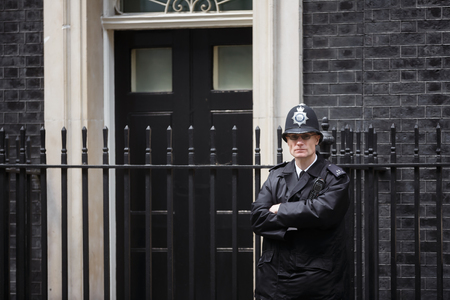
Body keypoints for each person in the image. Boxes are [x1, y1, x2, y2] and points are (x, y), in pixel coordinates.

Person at [251, 104, 350, 300]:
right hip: (273, 280)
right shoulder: (276, 176)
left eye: (305, 136)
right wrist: (299, 221)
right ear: (287, 141)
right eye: (294, 137)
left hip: (315, 280)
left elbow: (323, 213)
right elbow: (257, 218)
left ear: (317, 139)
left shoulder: (335, 178)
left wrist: (280, 209)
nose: (299, 142)